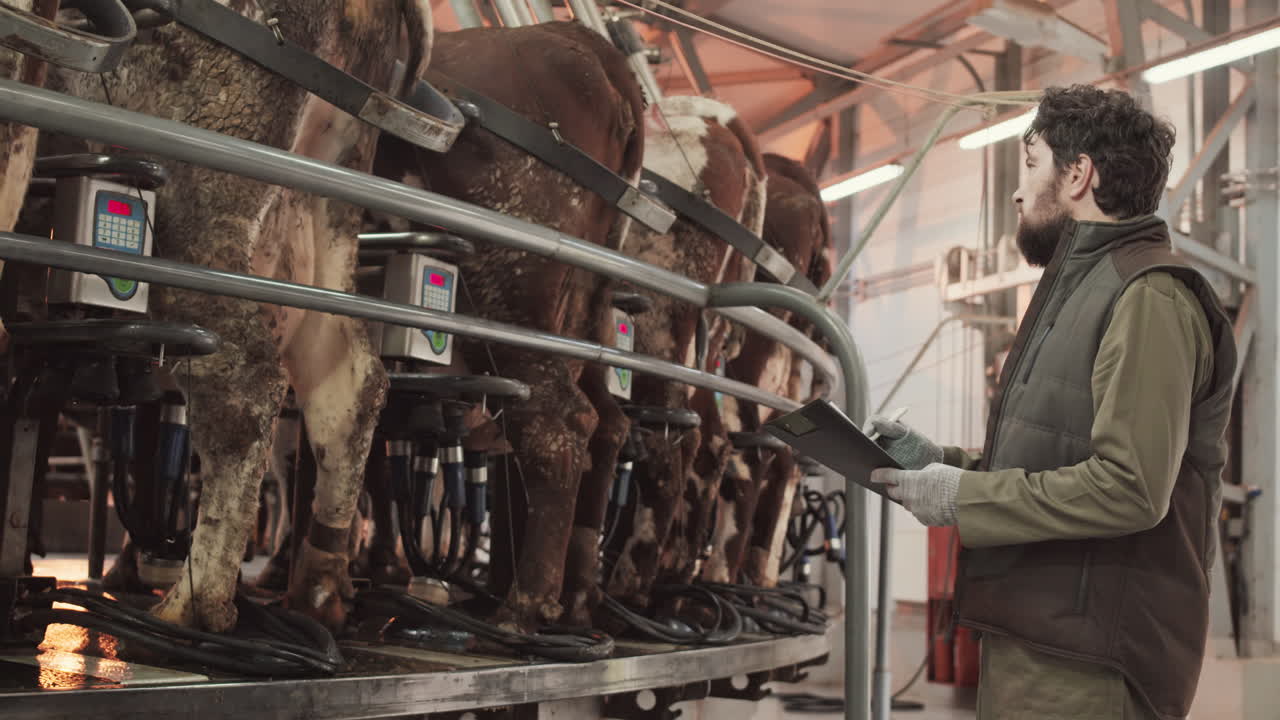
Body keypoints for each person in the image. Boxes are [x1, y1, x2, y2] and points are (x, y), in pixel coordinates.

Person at [868, 85, 1237, 720]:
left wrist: (964, 497)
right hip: (1042, 638)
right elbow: (1052, 461)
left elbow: (1129, 487)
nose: (1017, 192)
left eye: (1031, 164)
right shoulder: (1081, 292)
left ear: (1077, 175)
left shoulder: (1148, 297)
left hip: (1091, 660)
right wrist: (942, 464)